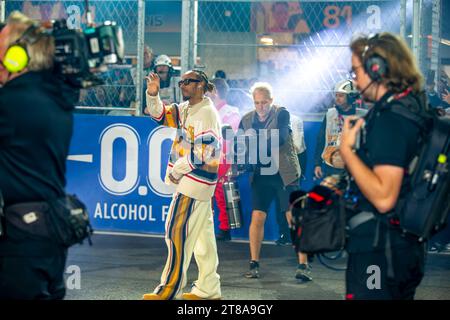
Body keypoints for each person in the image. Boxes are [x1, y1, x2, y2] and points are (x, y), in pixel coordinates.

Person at [340, 32, 427, 299]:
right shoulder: (407, 108)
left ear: (376, 69)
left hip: (380, 249)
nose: (354, 79)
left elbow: (384, 197)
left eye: (355, 71)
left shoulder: (391, 120)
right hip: (394, 245)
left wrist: (347, 151)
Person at [0, 12, 78, 299]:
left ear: (18, 56)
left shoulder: (14, 102)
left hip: (23, 235)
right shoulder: (55, 95)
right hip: (51, 226)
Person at [142, 69, 222, 300]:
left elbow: (206, 151)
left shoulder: (206, 112)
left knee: (176, 232)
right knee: (202, 240)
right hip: (197, 182)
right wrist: (152, 93)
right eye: (181, 82)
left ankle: (168, 290)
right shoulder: (188, 108)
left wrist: (177, 170)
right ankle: (209, 289)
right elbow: (159, 115)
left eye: (188, 81)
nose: (182, 85)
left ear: (201, 85)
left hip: (193, 182)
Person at [235, 82, 302, 279]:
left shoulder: (282, 113)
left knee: (293, 218)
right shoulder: (246, 119)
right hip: (262, 175)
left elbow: (280, 138)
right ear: (253, 102)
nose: (261, 107)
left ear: (271, 101)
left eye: (264, 102)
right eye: (257, 103)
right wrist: (241, 162)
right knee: (257, 217)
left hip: (285, 173)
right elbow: (239, 146)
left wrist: (253, 154)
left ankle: (304, 264)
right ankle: (253, 263)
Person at [207, 78, 241, 241]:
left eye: (208, 90)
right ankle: (212, 228)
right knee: (207, 194)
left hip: (223, 158)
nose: (205, 93)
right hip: (209, 157)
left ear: (215, 92)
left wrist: (231, 161)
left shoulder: (230, 111)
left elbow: (232, 138)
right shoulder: (208, 110)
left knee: (222, 194)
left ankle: (225, 230)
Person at [314, 79, 366, 181]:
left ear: (351, 98)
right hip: (331, 166)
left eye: (341, 96)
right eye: (336, 95)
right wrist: (317, 164)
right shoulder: (330, 114)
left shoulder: (362, 116)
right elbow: (321, 139)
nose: (337, 99)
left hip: (354, 167)